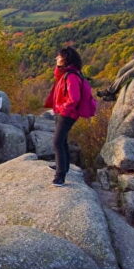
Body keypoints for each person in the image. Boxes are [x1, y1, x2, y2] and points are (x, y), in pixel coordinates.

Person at [44, 46, 84, 187]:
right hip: (62, 112)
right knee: (62, 141)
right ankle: (63, 166)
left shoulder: (72, 76)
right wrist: (58, 66)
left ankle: (60, 176)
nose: (56, 58)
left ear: (65, 59)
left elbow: (74, 99)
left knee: (57, 142)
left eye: (59, 56)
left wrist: (62, 109)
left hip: (67, 114)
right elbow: (57, 76)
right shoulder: (66, 73)